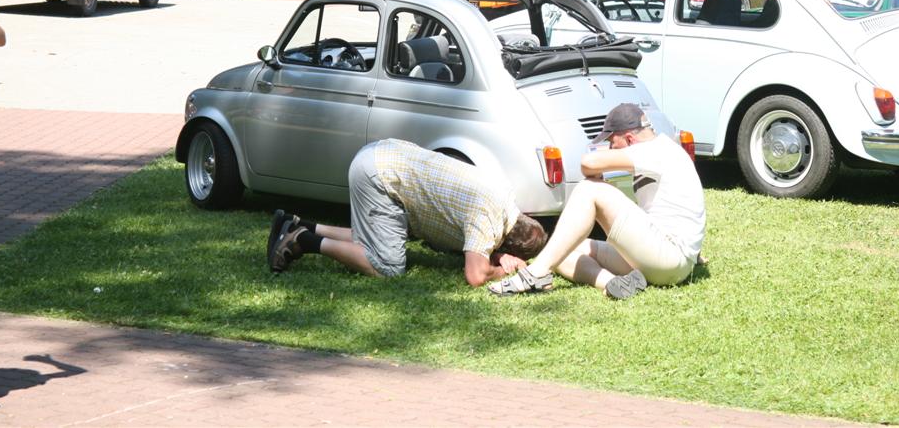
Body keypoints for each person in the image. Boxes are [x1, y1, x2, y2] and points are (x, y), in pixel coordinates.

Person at [489, 103, 705, 300]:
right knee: (562, 250)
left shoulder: (653, 150)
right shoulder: (664, 149)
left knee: (588, 190)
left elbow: (588, 162)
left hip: (669, 259)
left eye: (612, 142)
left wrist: (599, 172)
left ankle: (534, 274)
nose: (611, 149)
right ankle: (612, 283)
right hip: (666, 259)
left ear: (630, 139)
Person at [267, 139, 547, 286]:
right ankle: (303, 240)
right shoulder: (487, 219)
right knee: (386, 265)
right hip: (379, 175)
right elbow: (475, 276)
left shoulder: (504, 198)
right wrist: (504, 270)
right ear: (509, 244)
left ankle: (297, 223)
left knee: (376, 238)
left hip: (383, 155)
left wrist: (497, 254)